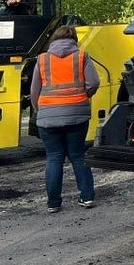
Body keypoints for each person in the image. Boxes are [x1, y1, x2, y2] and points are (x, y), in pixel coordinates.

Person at [30, 25, 100, 213]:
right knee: (78, 156)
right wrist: (84, 95)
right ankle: (87, 197)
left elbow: (34, 90)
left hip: (48, 117)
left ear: (54, 39)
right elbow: (94, 82)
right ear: (74, 39)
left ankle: (53, 203)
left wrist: (40, 110)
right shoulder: (81, 56)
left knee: (54, 158)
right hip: (77, 114)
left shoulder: (42, 59)